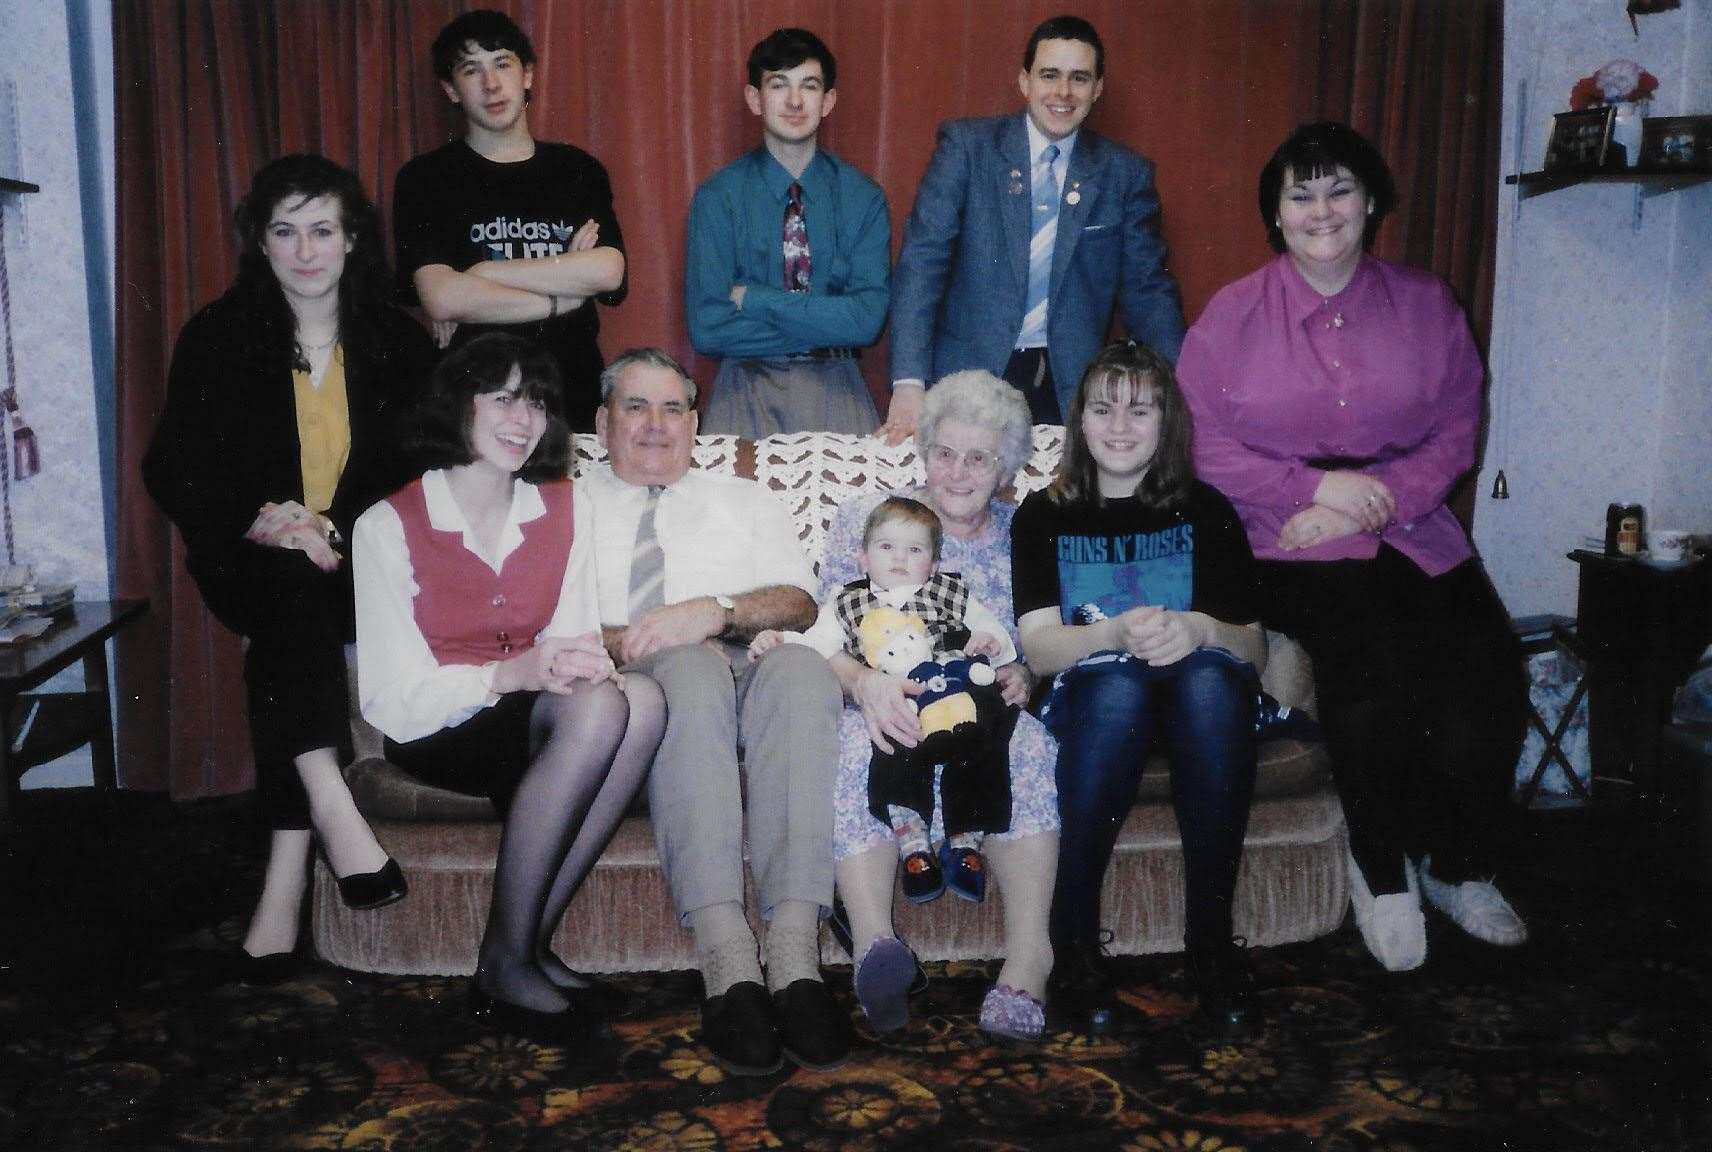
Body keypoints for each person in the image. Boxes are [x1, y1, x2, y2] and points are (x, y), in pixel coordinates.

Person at [1177, 121, 1529, 973]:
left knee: (1491, 668)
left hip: (1411, 527)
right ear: (1277, 214)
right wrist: (1317, 490)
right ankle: (1381, 870)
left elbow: (1456, 430)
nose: (1322, 210)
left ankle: (1458, 865)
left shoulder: (1426, 302)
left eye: (1339, 190)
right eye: (1301, 194)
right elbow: (1205, 444)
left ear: (1371, 201)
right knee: (1372, 664)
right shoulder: (1234, 314)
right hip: (1284, 537)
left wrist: (1373, 503)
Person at [142, 154, 435, 980]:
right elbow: (173, 465)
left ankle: (282, 889)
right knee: (286, 591)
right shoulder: (218, 335)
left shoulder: (396, 341)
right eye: (285, 232)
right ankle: (337, 813)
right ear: (260, 245)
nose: (305, 250)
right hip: (254, 557)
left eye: (321, 230)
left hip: (364, 563)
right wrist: (264, 522)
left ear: (350, 242)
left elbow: (424, 469)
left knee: (290, 626)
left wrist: (337, 528)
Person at [352, 333, 665, 1039]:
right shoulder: (387, 525)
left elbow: (574, 632)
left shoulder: (565, 506)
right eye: (502, 398)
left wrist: (574, 664)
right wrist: (505, 675)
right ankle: (507, 957)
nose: (523, 420)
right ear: (457, 404)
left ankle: (523, 948)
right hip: (438, 723)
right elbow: (391, 698)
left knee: (636, 701)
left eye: (536, 402)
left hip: (534, 714)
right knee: (599, 714)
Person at [581, 348, 849, 1074]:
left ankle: (795, 958)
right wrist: (655, 634)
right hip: (633, 689)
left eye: (674, 408)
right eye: (636, 407)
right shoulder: (563, 507)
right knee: (691, 669)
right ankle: (727, 960)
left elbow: (799, 603)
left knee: (799, 670)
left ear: (695, 422)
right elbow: (550, 631)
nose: (656, 425)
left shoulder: (745, 498)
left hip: (747, 665)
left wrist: (715, 610)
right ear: (604, 423)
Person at [1012, 341, 1266, 1038]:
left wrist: (1199, 627)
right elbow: (1037, 646)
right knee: (1120, 690)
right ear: (1079, 421)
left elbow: (1254, 645)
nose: (1120, 426)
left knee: (1213, 685)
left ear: (1167, 422)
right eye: (1103, 408)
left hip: (1193, 700)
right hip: (1095, 700)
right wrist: (1112, 636)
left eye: (1139, 409)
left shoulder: (1205, 510)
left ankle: (1211, 948)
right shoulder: (1044, 514)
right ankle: (1076, 950)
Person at [822, 370, 1060, 1042]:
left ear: (1007, 466)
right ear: (923, 453)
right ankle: (876, 947)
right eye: (945, 453)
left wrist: (1024, 674)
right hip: (883, 697)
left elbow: (1043, 638)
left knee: (1030, 744)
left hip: (981, 710)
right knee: (852, 742)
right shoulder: (873, 518)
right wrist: (863, 685)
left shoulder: (1026, 532)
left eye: (979, 457)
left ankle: (1027, 959)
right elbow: (826, 632)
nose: (958, 472)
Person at [883, 14, 1185, 440]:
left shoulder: (1124, 174)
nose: (1063, 92)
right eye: (1049, 75)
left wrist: (1189, 388)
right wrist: (909, 384)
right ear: (1025, 81)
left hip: (1068, 390)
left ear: (1097, 88)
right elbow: (922, 264)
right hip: (965, 380)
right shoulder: (967, 150)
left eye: (1079, 78)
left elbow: (1148, 292)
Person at [752, 497, 1017, 906]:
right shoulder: (847, 600)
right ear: (862, 557)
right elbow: (817, 645)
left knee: (986, 730)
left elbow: (991, 633)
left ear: (932, 564)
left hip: (954, 686)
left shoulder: (948, 591)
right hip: (897, 692)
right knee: (893, 738)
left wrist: (989, 642)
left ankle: (966, 836)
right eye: (886, 547)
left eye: (915, 550)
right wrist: (780, 639)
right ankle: (911, 835)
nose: (900, 558)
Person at [393, 9, 626, 431]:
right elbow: (443, 298)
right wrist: (564, 296)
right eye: (471, 70)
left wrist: (482, 273)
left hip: (569, 394)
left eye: (502, 64)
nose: (491, 84)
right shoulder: (425, 178)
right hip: (472, 403)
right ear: (451, 89)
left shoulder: (576, 169)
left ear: (528, 75)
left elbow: (608, 272)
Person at [686, 27, 890, 437]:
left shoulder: (862, 198)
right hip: (742, 389)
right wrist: (828, 319)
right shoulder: (718, 197)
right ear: (754, 98)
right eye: (779, 85)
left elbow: (867, 321)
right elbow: (708, 327)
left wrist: (754, 298)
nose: (795, 101)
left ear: (828, 101)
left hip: (839, 387)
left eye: (809, 86)